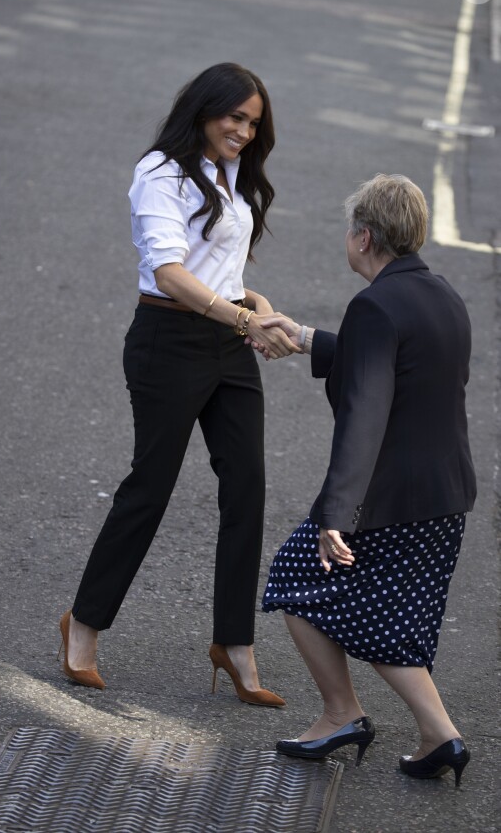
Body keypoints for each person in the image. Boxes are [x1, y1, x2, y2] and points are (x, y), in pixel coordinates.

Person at [58, 62, 298, 705]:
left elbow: (217, 269)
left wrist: (254, 305)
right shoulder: (160, 172)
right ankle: (83, 625)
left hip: (227, 341)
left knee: (247, 488)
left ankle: (235, 644)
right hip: (168, 343)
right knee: (150, 488)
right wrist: (242, 315)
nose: (244, 132)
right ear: (203, 110)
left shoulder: (233, 173)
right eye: (234, 118)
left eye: (253, 123)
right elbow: (168, 272)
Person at [258, 174, 476, 784]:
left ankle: (342, 714)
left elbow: (365, 414)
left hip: (389, 502)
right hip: (445, 497)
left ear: (363, 236)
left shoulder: (374, 306)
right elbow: (397, 365)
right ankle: (440, 738)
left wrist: (336, 514)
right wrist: (303, 338)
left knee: (297, 578)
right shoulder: (441, 295)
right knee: (393, 619)